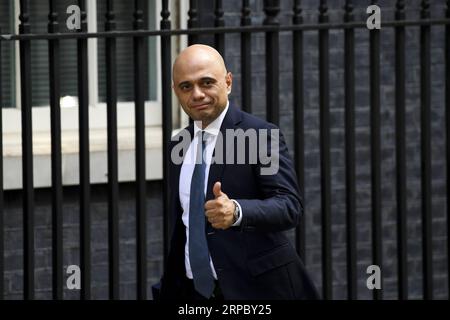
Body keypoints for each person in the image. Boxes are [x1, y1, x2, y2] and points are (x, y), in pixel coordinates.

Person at [158, 44, 319, 300]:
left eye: (207, 82)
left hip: (256, 290)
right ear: (175, 91)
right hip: (195, 292)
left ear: (228, 82)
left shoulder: (259, 135)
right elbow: (183, 224)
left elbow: (290, 206)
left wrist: (237, 212)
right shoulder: (178, 145)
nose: (197, 94)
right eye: (186, 86)